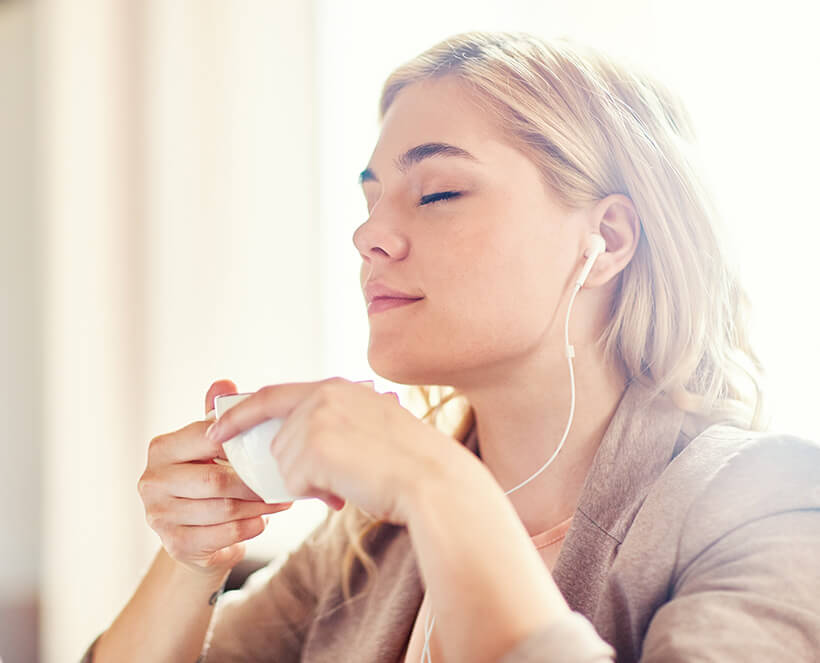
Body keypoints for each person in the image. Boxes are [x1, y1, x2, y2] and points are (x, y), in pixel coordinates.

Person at [81, 31, 820, 663]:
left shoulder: (772, 505)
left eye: (436, 193)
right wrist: (195, 558)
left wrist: (440, 487)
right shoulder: (364, 545)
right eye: (371, 200)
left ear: (608, 241)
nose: (367, 235)